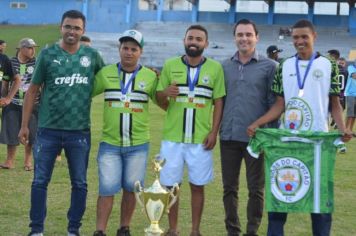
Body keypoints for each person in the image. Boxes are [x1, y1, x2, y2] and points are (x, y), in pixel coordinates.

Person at [247, 19, 352, 236]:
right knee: (279, 204)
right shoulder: (284, 65)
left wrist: (342, 129)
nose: (300, 41)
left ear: (314, 36)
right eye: (295, 37)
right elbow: (279, 105)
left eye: (304, 36)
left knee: (320, 206)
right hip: (288, 142)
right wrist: (258, 123)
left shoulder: (328, 65)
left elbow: (334, 104)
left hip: (318, 144)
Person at [18, 10, 105, 236]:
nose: (72, 31)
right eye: (68, 26)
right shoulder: (47, 56)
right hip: (48, 131)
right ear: (61, 27)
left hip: (79, 132)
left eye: (77, 28)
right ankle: (36, 230)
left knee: (80, 183)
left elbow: (110, 80)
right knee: (39, 182)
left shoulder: (92, 56)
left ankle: (73, 230)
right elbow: (32, 91)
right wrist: (25, 125)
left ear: (83, 31)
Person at [155, 24, 225, 236]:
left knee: (197, 185)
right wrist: (165, 93)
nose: (194, 42)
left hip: (200, 139)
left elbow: (219, 101)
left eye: (198, 39)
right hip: (173, 138)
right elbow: (159, 98)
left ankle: (195, 230)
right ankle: (173, 229)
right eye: (190, 38)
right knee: (170, 186)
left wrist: (214, 132)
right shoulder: (170, 65)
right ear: (184, 40)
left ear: (206, 43)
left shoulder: (215, 68)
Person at [92, 29, 163, 236]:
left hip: (138, 145)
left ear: (140, 52)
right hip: (110, 144)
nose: (129, 52)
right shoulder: (105, 73)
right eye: (125, 48)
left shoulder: (150, 76)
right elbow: (85, 92)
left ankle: (124, 228)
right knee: (106, 189)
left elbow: (164, 103)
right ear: (119, 49)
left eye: (134, 49)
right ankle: (100, 231)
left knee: (131, 189)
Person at [219, 19, 277, 236]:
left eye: (248, 34)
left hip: (257, 139)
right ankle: (232, 231)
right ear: (235, 37)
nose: (244, 38)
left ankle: (251, 231)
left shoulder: (270, 67)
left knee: (256, 190)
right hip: (229, 136)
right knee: (229, 189)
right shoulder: (223, 66)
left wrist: (267, 132)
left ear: (257, 37)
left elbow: (275, 104)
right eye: (240, 34)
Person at [0, 38, 39, 170]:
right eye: (30, 47)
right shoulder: (10, 62)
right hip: (13, 103)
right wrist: (4, 98)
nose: (33, 50)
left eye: (34, 47)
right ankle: (9, 161)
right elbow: (5, 82)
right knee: (11, 132)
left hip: (33, 104)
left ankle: (28, 161)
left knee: (31, 133)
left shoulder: (37, 62)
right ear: (21, 48)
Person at [345, 60, 356, 136]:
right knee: (350, 113)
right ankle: (346, 130)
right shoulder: (351, 67)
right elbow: (354, 76)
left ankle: (351, 131)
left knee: (354, 114)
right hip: (350, 94)